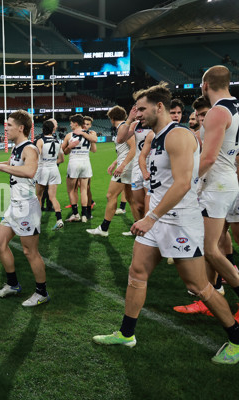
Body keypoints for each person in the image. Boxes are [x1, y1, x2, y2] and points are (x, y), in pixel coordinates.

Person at [92, 83, 239, 365]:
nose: (138, 114)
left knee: (198, 286)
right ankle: (126, 333)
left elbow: (184, 183)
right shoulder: (154, 136)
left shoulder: (178, 135)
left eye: (143, 109)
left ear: (160, 107)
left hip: (180, 220)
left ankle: (236, 337)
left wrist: (151, 217)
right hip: (158, 220)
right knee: (137, 272)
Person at [174, 66, 239, 316]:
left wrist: (186, 181)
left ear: (205, 85)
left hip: (217, 185)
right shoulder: (235, 107)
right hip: (228, 181)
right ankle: (210, 298)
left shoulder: (217, 112)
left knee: (210, 249)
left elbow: (209, 158)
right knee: (214, 247)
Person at [0, 110, 50, 306]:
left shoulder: (30, 149)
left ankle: (41, 292)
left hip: (26, 208)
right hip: (14, 207)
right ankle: (13, 285)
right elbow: (12, 163)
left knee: (30, 252)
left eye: (9, 125)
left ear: (21, 128)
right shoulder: (17, 148)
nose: (5, 128)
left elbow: (29, 170)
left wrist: (0, 167)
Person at [87, 106, 136, 237]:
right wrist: (115, 163)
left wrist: (122, 165)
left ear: (112, 118)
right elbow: (125, 150)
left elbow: (133, 148)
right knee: (130, 198)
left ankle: (104, 228)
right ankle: (139, 227)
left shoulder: (122, 128)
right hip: (126, 166)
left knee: (111, 195)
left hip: (125, 168)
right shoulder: (123, 127)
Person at [61, 114, 97, 223]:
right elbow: (94, 142)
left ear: (76, 123)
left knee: (71, 190)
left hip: (74, 163)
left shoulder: (69, 135)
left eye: (71, 123)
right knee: (84, 190)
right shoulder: (89, 134)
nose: (70, 124)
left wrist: (69, 147)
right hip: (86, 162)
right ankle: (85, 215)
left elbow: (63, 151)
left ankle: (76, 214)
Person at [34, 119, 64, 231]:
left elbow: (36, 156)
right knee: (52, 197)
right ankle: (59, 220)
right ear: (53, 129)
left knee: (39, 196)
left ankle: (36, 221)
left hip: (43, 169)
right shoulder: (58, 142)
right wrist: (51, 162)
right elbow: (61, 159)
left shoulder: (40, 141)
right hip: (54, 169)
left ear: (42, 129)